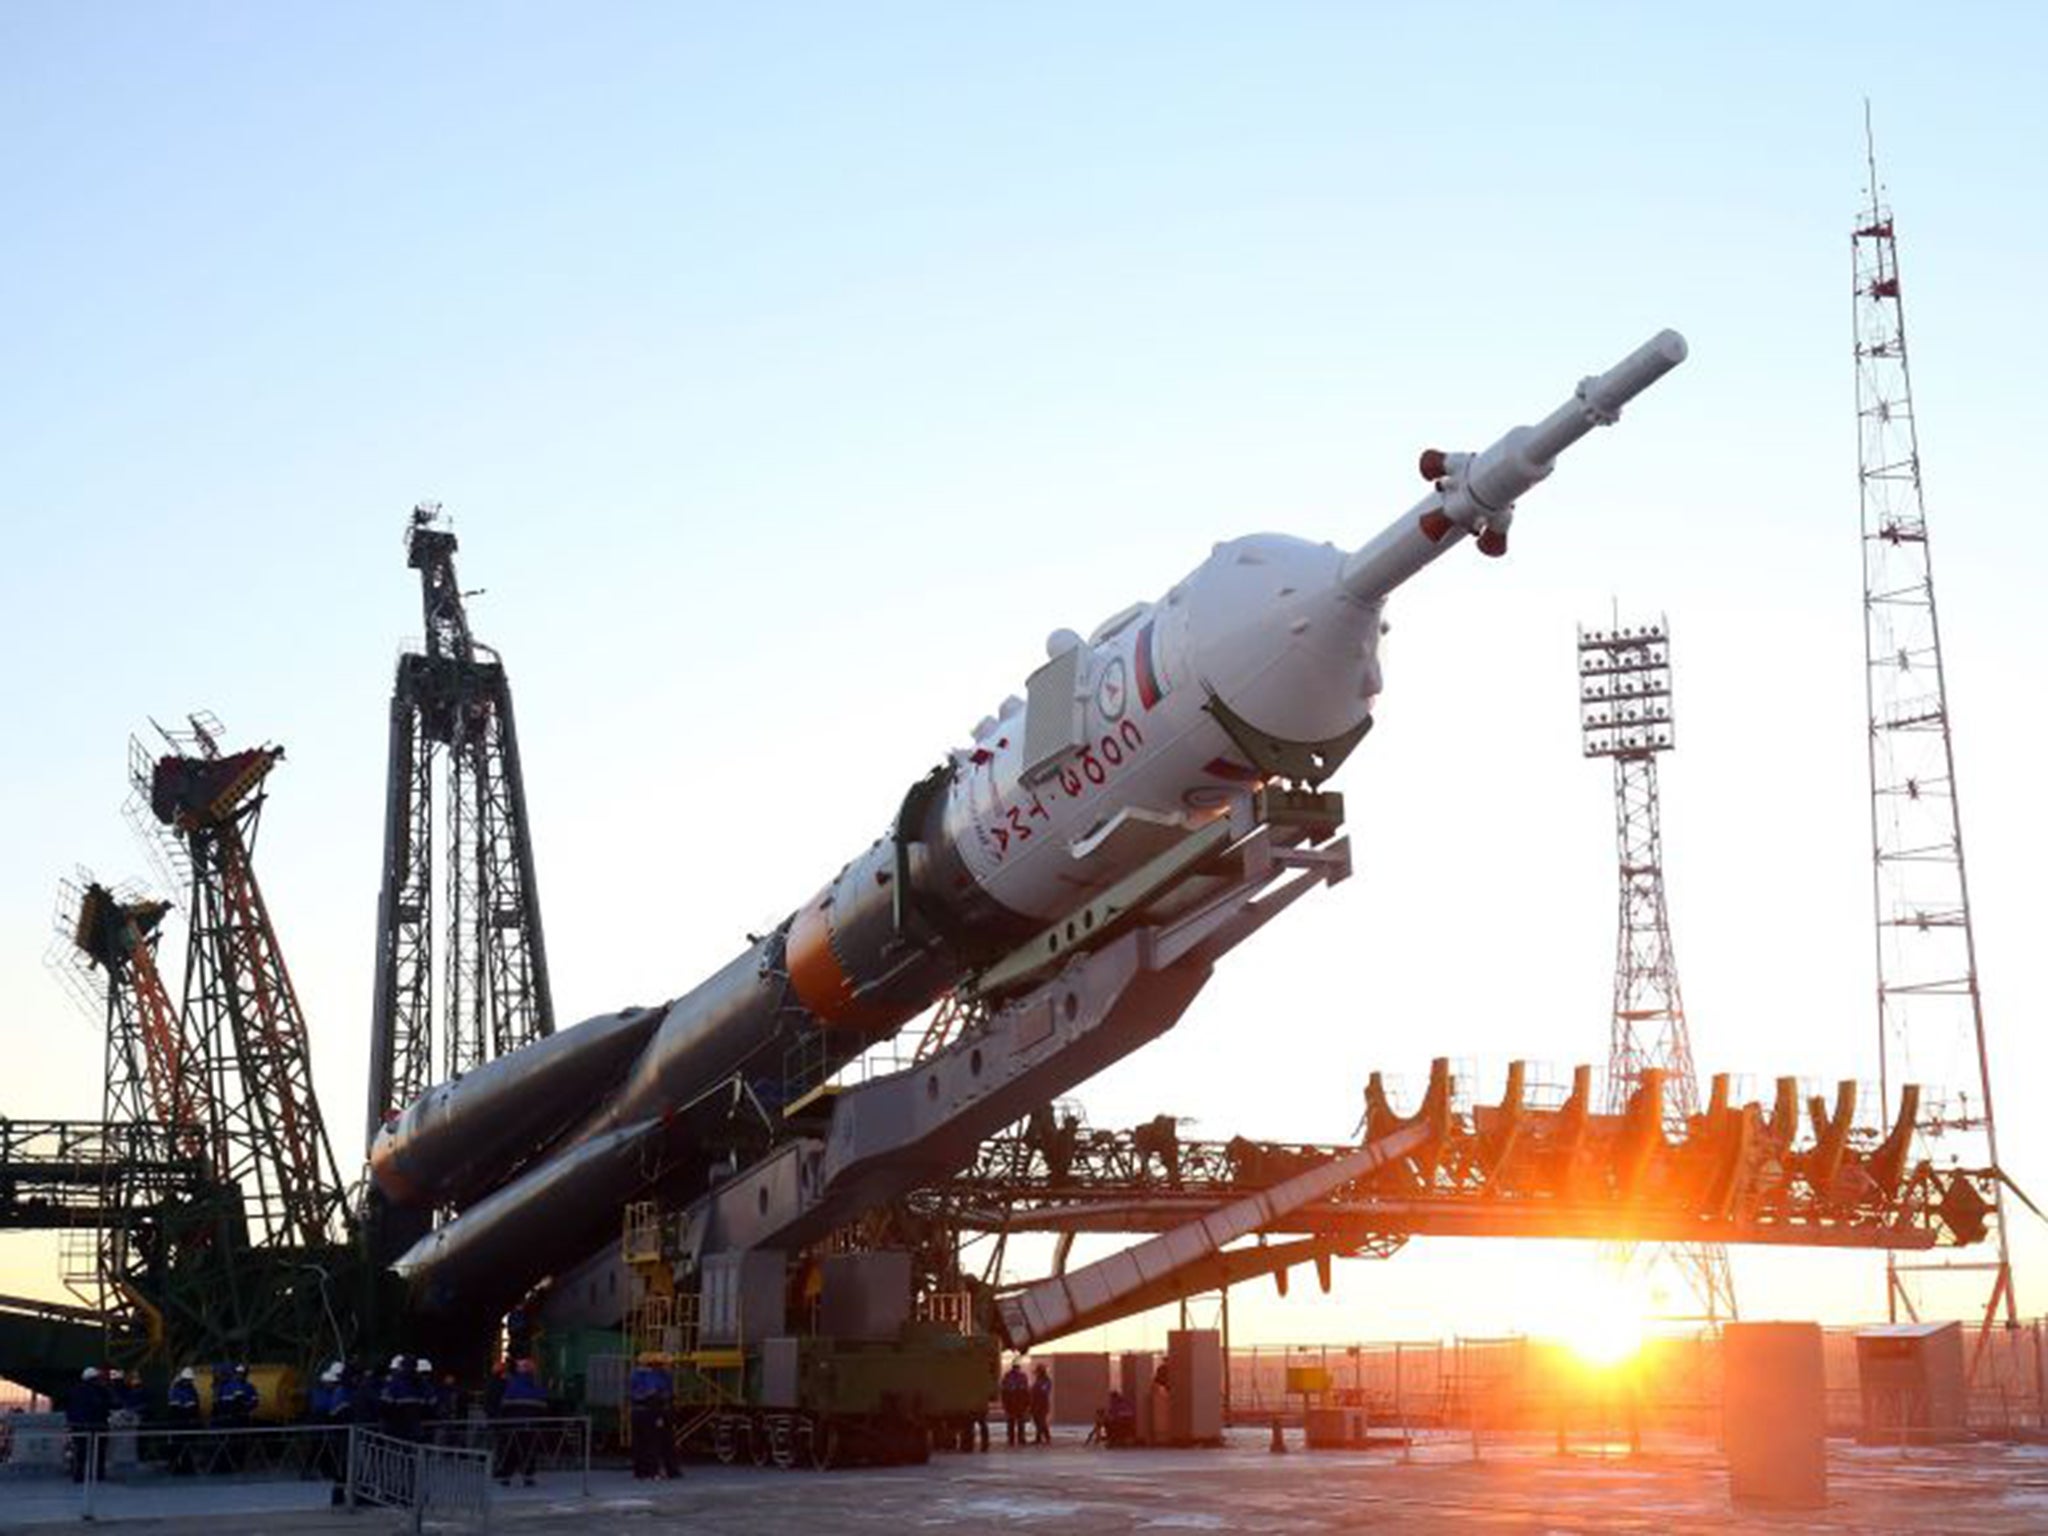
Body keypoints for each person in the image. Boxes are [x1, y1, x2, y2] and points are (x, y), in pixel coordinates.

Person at [494, 1357, 547, 1486]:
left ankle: (506, 1476)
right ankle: (528, 1476)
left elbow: (503, 1404)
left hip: (512, 1424)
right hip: (530, 1424)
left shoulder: (512, 1384)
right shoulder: (535, 1385)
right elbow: (543, 1403)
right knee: (529, 1450)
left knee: (511, 1450)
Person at [627, 1351, 680, 1480]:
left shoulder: (635, 1374)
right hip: (653, 1411)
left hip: (638, 1411)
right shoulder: (654, 1376)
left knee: (641, 1443)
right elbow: (656, 1394)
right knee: (655, 1443)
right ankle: (656, 1471)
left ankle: (641, 1471)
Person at [65, 1367, 109, 1484]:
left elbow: (69, 1408)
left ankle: (79, 1476)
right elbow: (107, 1405)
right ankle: (98, 1476)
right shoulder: (99, 1390)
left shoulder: (74, 1390)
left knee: (80, 1453)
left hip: (78, 1426)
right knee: (98, 1453)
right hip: (97, 1426)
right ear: (95, 1378)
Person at [166, 1367, 202, 1475]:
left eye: (190, 1380)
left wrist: (194, 1418)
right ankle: (174, 1467)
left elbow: (195, 1406)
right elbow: (174, 1409)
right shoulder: (175, 1390)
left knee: (189, 1446)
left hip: (189, 1423)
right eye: (187, 1380)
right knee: (176, 1446)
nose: (188, 1382)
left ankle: (188, 1467)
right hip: (178, 1423)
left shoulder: (192, 1390)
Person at [999, 1359, 1030, 1446]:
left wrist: (1004, 1403)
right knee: (1016, 1423)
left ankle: (1013, 1439)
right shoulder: (1021, 1377)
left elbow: (1004, 1391)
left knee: (1014, 1423)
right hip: (1015, 1404)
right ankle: (1017, 1439)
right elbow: (1026, 1391)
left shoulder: (1008, 1377)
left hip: (1014, 1404)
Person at [1030, 1363, 1053, 1445]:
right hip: (1035, 1403)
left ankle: (1046, 1437)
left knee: (1041, 1421)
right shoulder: (1038, 1381)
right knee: (1037, 1421)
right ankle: (1040, 1437)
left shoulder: (1046, 1381)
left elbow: (1044, 1391)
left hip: (1042, 1404)